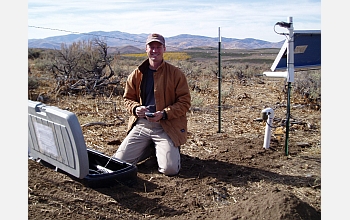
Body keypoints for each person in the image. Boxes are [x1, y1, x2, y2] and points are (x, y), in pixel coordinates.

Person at [113, 33, 191, 176]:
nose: (155, 50)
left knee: (170, 169)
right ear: (146, 49)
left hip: (166, 126)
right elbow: (127, 99)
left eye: (158, 47)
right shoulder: (136, 74)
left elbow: (184, 102)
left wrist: (164, 113)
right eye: (151, 47)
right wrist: (136, 109)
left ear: (164, 49)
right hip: (142, 125)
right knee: (118, 163)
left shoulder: (176, 74)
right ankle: (152, 149)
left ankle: (166, 150)